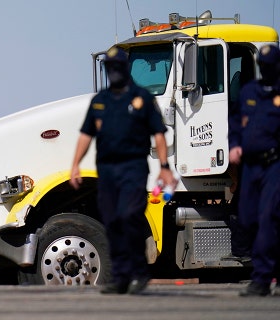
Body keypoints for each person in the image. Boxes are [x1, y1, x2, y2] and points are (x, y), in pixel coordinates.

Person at [69, 46, 174, 295]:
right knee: (113, 221)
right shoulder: (100, 101)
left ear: (124, 68)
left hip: (133, 168)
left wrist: (164, 167)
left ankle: (138, 273)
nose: (113, 71)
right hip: (107, 171)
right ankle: (121, 277)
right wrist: (74, 165)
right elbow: (86, 135)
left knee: (130, 217)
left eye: (117, 66)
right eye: (109, 67)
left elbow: (159, 134)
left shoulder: (142, 99)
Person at [230, 44, 280, 297]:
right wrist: (234, 145)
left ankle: (261, 279)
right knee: (247, 220)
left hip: (274, 165)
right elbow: (236, 122)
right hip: (250, 167)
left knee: (267, 219)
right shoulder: (249, 91)